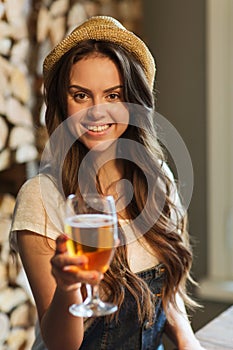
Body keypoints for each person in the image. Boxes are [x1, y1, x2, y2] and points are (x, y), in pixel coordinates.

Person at [10, 16, 205, 350]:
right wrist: (69, 288)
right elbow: (61, 344)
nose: (97, 112)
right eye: (81, 96)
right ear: (62, 102)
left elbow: (166, 297)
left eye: (113, 95)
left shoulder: (158, 178)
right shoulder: (41, 197)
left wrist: (189, 342)